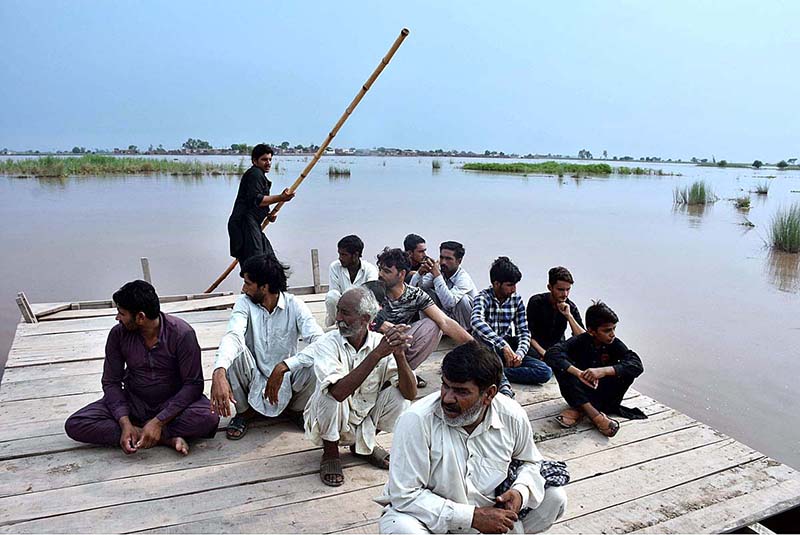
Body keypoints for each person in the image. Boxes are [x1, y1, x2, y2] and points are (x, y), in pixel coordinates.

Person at [377, 341, 567, 534]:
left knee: (555, 498)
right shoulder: (416, 420)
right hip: (428, 520)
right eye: (445, 386)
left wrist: (520, 492)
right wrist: (471, 517)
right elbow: (405, 495)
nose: (447, 398)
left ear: (489, 394)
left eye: (461, 391)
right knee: (402, 530)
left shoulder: (511, 415)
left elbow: (531, 462)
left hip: (490, 517)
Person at [64, 280, 219, 456]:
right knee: (76, 423)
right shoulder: (118, 334)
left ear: (140, 317)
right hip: (134, 403)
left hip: (172, 405)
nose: (117, 318)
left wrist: (159, 421)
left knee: (210, 416)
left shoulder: (182, 334)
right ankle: (163, 437)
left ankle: (150, 432)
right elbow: (111, 382)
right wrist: (124, 422)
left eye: (121, 313)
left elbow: (193, 384)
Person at [303, 287, 417, 486]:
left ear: (365, 319)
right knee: (328, 395)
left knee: (399, 397)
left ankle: (363, 444)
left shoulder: (380, 343)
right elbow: (337, 393)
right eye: (338, 310)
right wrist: (376, 355)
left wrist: (399, 355)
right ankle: (331, 455)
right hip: (330, 414)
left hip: (362, 416)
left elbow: (410, 393)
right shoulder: (327, 343)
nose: (338, 318)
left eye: (345, 313)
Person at [210, 254, 324, 439]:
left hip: (286, 376)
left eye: (248, 283)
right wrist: (219, 371)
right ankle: (245, 412)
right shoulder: (244, 303)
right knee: (234, 353)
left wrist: (284, 366)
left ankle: (296, 410)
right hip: (253, 373)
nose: (243, 288)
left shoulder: (294, 305)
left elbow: (320, 342)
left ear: (264, 287)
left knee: (317, 361)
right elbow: (234, 335)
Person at [374, 247, 473, 387]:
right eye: (381, 270)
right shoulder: (372, 290)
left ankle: (401, 372)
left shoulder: (415, 295)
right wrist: (382, 325)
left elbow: (445, 321)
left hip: (398, 343)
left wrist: (475, 346)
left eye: (387, 271)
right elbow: (358, 318)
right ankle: (382, 374)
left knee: (433, 325)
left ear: (401, 274)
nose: (381, 275)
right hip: (373, 345)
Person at [544, 301, 644, 437]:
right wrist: (578, 373)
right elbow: (551, 354)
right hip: (581, 392)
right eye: (607, 330)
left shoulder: (614, 344)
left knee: (627, 370)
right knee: (563, 369)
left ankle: (581, 410)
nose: (612, 334)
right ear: (591, 331)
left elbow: (637, 364)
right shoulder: (579, 341)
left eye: (614, 329)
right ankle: (597, 417)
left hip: (605, 397)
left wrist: (603, 371)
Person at [471, 257, 551, 397]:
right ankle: (503, 385)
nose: (514, 289)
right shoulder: (482, 297)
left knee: (545, 372)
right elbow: (476, 321)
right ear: (496, 283)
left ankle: (494, 372)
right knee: (484, 346)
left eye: (515, 285)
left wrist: (518, 354)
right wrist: (503, 346)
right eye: (509, 285)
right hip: (487, 347)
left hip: (507, 349)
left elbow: (524, 332)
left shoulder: (516, 300)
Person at [227, 144, 295, 266]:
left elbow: (255, 204)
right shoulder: (255, 174)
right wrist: (281, 198)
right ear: (254, 161)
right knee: (256, 267)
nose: (268, 163)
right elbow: (257, 199)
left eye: (270, 159)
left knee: (269, 262)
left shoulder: (258, 175)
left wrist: (267, 215)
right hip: (244, 225)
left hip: (251, 224)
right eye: (264, 159)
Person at [410, 240, 477, 330]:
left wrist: (437, 275)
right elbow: (416, 290)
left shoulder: (463, 278)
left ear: (459, 261)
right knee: (424, 294)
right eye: (441, 258)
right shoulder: (440, 270)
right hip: (449, 316)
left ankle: (466, 332)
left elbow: (449, 303)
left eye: (448, 259)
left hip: (467, 321)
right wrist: (420, 273)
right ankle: (429, 329)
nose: (443, 262)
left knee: (463, 300)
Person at [526, 266, 585, 358]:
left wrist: (569, 316)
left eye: (568, 289)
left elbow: (583, 339)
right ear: (550, 287)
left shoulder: (570, 306)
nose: (565, 294)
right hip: (536, 348)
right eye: (560, 290)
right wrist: (546, 355)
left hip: (558, 349)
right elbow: (528, 334)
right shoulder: (537, 302)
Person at [325, 234, 379, 327]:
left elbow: (371, 297)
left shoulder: (370, 269)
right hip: (341, 307)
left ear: (355, 255)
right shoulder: (335, 267)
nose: (340, 258)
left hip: (361, 308)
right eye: (339, 254)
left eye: (344, 255)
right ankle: (336, 324)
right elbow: (334, 293)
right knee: (331, 296)